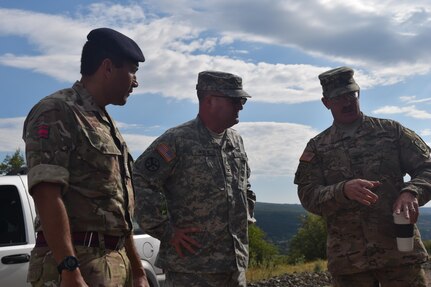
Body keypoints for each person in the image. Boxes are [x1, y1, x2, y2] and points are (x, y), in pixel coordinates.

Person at [23, 27, 149, 287]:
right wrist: (68, 268)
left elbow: (117, 209)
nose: (135, 81)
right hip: (77, 264)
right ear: (107, 67)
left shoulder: (105, 123)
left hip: (113, 262)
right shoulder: (57, 111)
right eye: (132, 71)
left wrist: (136, 270)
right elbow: (47, 193)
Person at [294, 66, 431, 287]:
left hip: (399, 254)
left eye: (351, 94)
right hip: (349, 262)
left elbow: (427, 167)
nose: (347, 101)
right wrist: (342, 190)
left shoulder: (391, 132)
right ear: (326, 102)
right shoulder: (318, 147)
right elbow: (308, 196)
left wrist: (411, 191)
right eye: (338, 97)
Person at [133, 71, 256, 287]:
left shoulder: (236, 141)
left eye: (242, 100)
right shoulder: (177, 140)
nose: (241, 106)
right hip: (191, 269)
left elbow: (244, 184)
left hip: (234, 265)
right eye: (235, 100)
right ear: (209, 100)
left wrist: (248, 208)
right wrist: (164, 230)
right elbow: (140, 179)